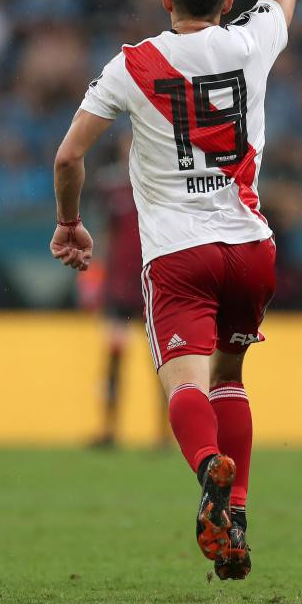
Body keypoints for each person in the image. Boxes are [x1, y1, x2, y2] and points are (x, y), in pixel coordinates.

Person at [49, 0, 302, 581]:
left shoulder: (134, 63)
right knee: (231, 377)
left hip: (177, 254)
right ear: (229, 2)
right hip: (251, 248)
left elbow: (69, 154)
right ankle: (237, 517)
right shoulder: (253, 40)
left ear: (166, 0)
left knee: (186, 388)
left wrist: (70, 222)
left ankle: (208, 469)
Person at [81, 133, 168, 449]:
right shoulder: (112, 187)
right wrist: (96, 280)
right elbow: (104, 235)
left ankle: (164, 432)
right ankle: (108, 428)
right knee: (115, 358)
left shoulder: (161, 182)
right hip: (119, 287)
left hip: (152, 285)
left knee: (161, 362)